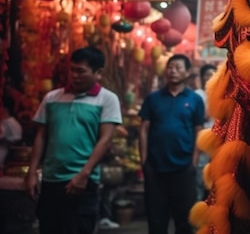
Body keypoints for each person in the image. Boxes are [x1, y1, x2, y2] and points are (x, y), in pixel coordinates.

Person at [25, 46, 122, 234]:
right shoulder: (52, 97)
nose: (75, 76)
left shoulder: (107, 99)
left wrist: (83, 174)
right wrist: (31, 173)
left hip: (82, 182)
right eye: (72, 70)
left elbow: (106, 139)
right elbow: (41, 136)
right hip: (51, 179)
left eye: (81, 71)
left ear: (98, 73)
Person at [139, 54, 205, 234]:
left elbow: (198, 130)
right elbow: (144, 129)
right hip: (155, 167)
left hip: (184, 168)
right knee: (156, 220)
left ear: (187, 72)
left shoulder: (194, 99)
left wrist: (193, 162)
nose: (173, 71)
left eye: (178, 67)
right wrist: (144, 160)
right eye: (170, 67)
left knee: (184, 220)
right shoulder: (153, 98)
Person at [193, 63, 217, 201]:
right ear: (202, 78)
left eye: (213, 74)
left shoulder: (221, 93)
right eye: (207, 75)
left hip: (217, 144)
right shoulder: (198, 95)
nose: (210, 77)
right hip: (201, 145)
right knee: (199, 179)